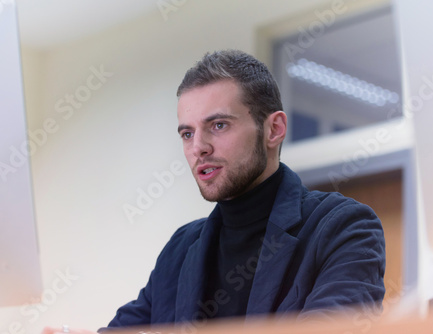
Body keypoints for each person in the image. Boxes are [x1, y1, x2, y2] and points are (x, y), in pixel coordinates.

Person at [43, 49, 385, 334]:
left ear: (274, 129)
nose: (199, 148)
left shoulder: (344, 228)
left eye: (218, 125)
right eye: (187, 133)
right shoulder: (180, 249)